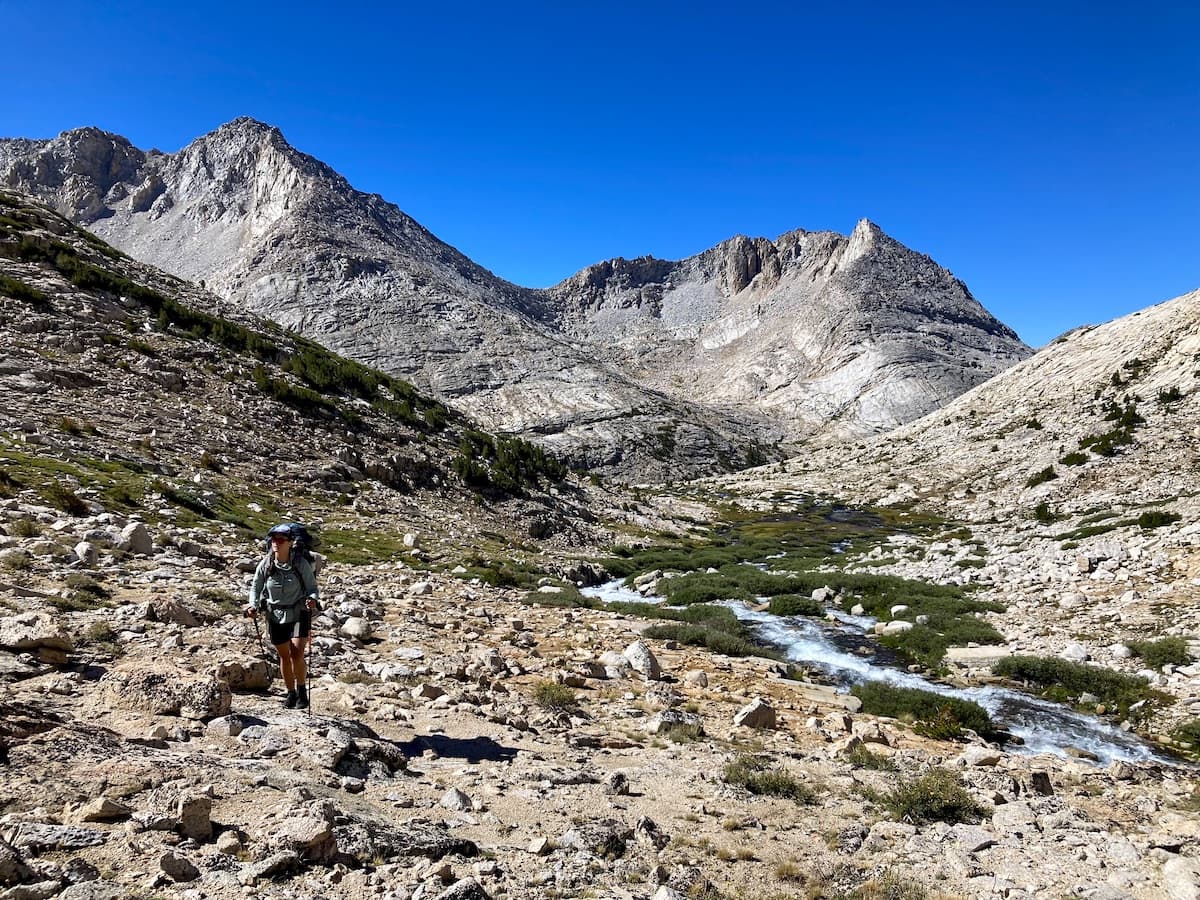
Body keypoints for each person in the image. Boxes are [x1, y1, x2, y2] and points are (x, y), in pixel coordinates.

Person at [245, 524, 320, 709]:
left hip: (299, 612)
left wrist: (312, 599)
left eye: (280, 540)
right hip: (275, 614)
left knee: (296, 653)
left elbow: (312, 588)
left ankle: (302, 692)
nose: (275, 543)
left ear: (290, 543)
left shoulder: (300, 564)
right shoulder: (267, 563)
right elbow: (256, 587)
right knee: (284, 655)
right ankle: (291, 693)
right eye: (273, 539)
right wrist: (253, 605)